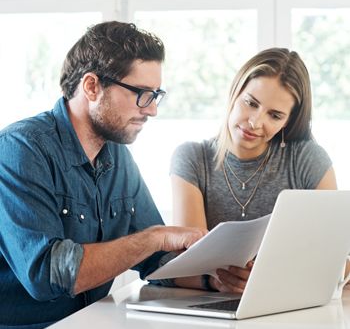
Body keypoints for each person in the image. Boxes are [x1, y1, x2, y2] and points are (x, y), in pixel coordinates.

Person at [0, 21, 207, 328]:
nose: (151, 110)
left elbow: (155, 259)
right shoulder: (20, 149)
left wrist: (213, 278)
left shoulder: (117, 156)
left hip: (93, 322)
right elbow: (48, 274)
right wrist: (154, 238)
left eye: (155, 94)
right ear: (92, 86)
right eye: (141, 93)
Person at [170, 47, 337, 294]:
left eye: (275, 115)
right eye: (251, 103)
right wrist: (221, 281)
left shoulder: (307, 159)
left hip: (287, 299)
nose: (255, 123)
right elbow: (191, 262)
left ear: (288, 121)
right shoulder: (192, 158)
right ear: (235, 92)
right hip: (213, 303)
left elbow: (334, 257)